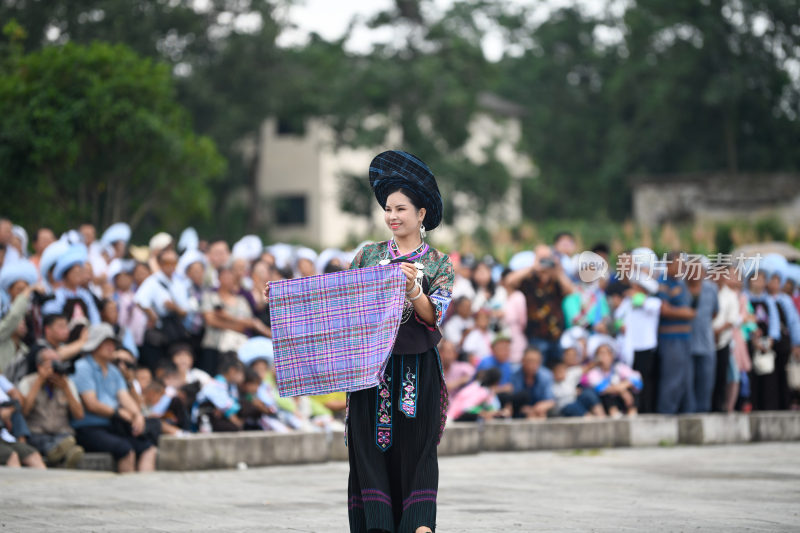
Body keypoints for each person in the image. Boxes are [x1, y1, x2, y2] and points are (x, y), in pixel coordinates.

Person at [263, 151, 453, 533]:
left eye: (401, 208)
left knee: (418, 455)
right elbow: (337, 301)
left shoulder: (438, 264)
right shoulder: (368, 256)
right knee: (369, 454)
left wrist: (413, 287)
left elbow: (435, 316)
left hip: (417, 371)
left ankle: (419, 526)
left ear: (421, 214)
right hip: (369, 373)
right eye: (387, 208)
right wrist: (288, 299)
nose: (392, 216)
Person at [71, 323, 158, 473]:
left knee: (148, 448)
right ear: (95, 345)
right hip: (88, 427)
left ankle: (145, 490)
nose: (112, 347)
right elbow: (91, 404)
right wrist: (117, 413)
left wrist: (137, 415)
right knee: (125, 450)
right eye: (107, 343)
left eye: (113, 344)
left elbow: (124, 397)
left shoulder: (113, 370)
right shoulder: (82, 367)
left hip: (112, 425)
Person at [505, 245, 574, 364]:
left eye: (547, 257)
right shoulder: (528, 278)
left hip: (556, 335)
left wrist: (558, 271)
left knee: (557, 368)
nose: (544, 261)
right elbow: (509, 281)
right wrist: (533, 267)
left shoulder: (555, 278)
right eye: (541, 257)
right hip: (536, 335)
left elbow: (570, 290)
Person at [18, 348, 85, 467]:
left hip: (62, 433)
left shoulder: (67, 383)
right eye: (51, 362)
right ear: (39, 366)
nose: (55, 366)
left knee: (67, 440)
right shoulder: (28, 382)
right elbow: (23, 412)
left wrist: (66, 390)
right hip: (37, 433)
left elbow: (79, 415)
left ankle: (59, 451)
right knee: (45, 441)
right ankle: (60, 452)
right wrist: (39, 382)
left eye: (58, 362)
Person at [656, 251, 696, 414]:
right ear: (668, 265)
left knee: (686, 380)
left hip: (685, 338)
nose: (682, 268)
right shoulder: (664, 282)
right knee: (672, 380)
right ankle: (666, 415)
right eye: (679, 264)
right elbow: (663, 309)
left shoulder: (680, 283)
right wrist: (686, 313)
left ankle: (686, 415)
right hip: (671, 339)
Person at [614, 275, 661, 413]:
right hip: (630, 347)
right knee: (630, 379)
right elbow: (618, 316)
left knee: (645, 381)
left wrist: (637, 297)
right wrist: (620, 325)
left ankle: (647, 409)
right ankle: (633, 408)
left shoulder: (653, 302)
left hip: (645, 347)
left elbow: (645, 304)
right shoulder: (627, 303)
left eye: (635, 287)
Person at [687, 264, 719, 413]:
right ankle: (690, 411)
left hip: (706, 343)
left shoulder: (711, 289)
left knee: (706, 381)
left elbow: (715, 312)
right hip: (686, 344)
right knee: (688, 382)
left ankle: (704, 411)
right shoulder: (682, 288)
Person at [582, 341, 642, 417]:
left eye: (607, 353)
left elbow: (637, 379)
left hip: (623, 399)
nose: (604, 357)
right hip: (605, 403)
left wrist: (623, 388)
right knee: (608, 395)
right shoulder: (594, 372)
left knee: (633, 391)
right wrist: (622, 391)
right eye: (601, 354)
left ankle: (632, 414)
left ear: (612, 356)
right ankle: (615, 414)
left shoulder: (619, 367)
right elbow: (603, 388)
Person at [509, 347, 556, 419]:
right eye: (529, 361)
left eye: (536, 361)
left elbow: (551, 400)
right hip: (519, 412)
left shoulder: (546, 375)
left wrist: (541, 407)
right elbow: (511, 401)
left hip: (539, 412)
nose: (532, 365)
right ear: (522, 361)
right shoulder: (513, 374)